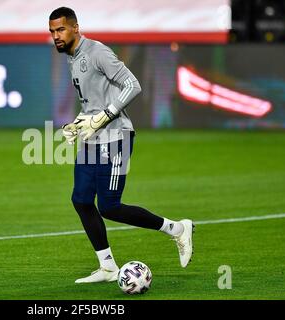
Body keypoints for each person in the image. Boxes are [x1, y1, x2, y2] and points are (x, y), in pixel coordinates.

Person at [49, 7, 194, 283]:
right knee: (80, 199)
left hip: (116, 138)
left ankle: (176, 229)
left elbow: (133, 85)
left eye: (61, 30)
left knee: (109, 206)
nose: (56, 36)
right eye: (53, 31)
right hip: (94, 139)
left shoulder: (97, 52)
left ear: (76, 28)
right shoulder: (73, 57)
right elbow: (94, 101)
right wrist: (80, 122)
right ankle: (107, 267)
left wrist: (105, 115)